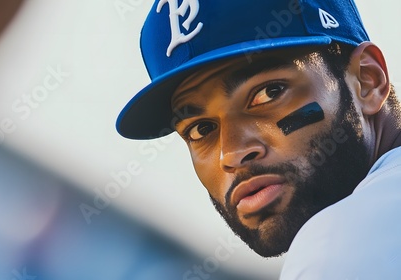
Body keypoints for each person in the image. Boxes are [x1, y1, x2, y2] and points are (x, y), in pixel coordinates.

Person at [116, 0, 401, 278]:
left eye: (268, 93)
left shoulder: (340, 245)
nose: (231, 153)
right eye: (201, 130)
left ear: (367, 80)